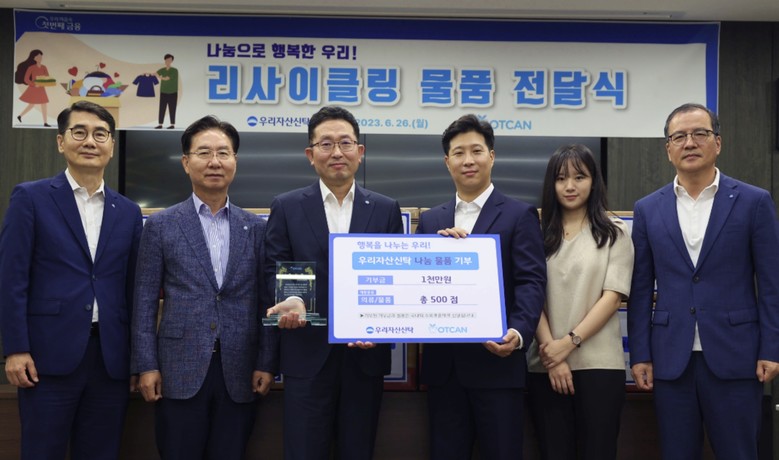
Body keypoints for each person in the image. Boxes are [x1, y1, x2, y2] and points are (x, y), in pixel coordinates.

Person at [628, 102, 779, 459]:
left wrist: (771, 348)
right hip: (671, 359)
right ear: (668, 149)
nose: (690, 142)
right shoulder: (648, 208)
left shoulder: (754, 202)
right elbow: (640, 288)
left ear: (718, 143)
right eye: (679, 136)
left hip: (736, 356)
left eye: (700, 133)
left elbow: (772, 284)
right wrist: (641, 354)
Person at [0, 100, 143, 459]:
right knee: (41, 451)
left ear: (112, 146)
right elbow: (11, 278)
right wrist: (15, 348)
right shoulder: (31, 198)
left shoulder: (128, 212)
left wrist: (136, 359)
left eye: (100, 134)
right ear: (61, 142)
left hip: (109, 359)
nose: (90, 141)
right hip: (46, 357)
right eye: (79, 132)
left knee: (101, 452)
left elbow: (133, 289)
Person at [131, 115, 276, 459]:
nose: (214, 162)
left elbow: (265, 301)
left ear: (235, 161)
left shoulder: (256, 228)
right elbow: (144, 301)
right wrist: (146, 365)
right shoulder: (161, 225)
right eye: (204, 153)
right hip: (177, 369)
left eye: (223, 153)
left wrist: (267, 362)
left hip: (240, 369)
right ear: (186, 162)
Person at [264, 105, 404, 460]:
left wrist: (381, 326)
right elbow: (275, 266)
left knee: (358, 450)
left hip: (365, 357)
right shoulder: (287, 206)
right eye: (326, 144)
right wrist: (294, 299)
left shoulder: (385, 208)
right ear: (311, 155)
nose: (337, 152)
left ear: (360, 151)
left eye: (345, 143)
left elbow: (396, 279)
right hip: (306, 355)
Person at [416, 114, 546, 460]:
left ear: (492, 156)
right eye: (459, 153)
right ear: (447, 162)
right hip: (445, 371)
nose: (468, 160)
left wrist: (517, 332)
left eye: (476, 151)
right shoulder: (431, 220)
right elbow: (417, 286)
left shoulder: (519, 215)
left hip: (498, 366)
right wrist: (437, 254)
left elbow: (531, 281)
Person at [526, 144, 634, 460]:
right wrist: (553, 355)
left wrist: (568, 344)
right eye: (561, 179)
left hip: (599, 365)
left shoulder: (615, 232)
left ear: (594, 181)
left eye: (579, 177)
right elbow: (530, 296)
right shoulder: (536, 233)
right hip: (545, 365)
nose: (570, 186)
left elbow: (612, 298)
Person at [16, 49, 51, 126]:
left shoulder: (44, 67)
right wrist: (34, 84)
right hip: (33, 88)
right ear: (34, 58)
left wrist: (44, 80)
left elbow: (47, 77)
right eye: (38, 56)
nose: (40, 58)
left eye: (41, 56)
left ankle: (45, 123)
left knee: (43, 104)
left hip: (41, 88)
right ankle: (20, 116)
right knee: (32, 104)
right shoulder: (31, 67)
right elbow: (26, 79)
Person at [155, 53, 178, 129]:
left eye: (170, 60)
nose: (168, 61)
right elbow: (155, 73)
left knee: (172, 108)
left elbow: (166, 78)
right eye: (167, 60)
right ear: (165, 60)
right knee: (162, 108)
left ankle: (172, 124)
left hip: (173, 92)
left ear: (172, 61)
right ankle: (160, 124)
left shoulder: (174, 70)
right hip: (163, 92)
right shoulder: (162, 70)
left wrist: (160, 77)